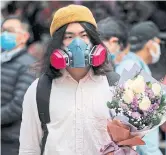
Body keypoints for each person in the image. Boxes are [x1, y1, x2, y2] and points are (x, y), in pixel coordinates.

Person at [19, 5, 116, 155]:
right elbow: (28, 149)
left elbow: (128, 143)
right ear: (57, 44)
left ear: (94, 41)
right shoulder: (39, 90)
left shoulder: (114, 86)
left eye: (84, 36)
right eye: (69, 37)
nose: (77, 44)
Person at [116, 21, 163, 155]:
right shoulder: (133, 70)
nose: (158, 47)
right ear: (149, 44)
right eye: (157, 42)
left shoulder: (130, 66)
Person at [1, 16, 36, 155]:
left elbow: (19, 105)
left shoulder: (29, 65)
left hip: (11, 140)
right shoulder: (3, 59)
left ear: (24, 36)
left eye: (9, 31)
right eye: (2, 30)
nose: (4, 35)